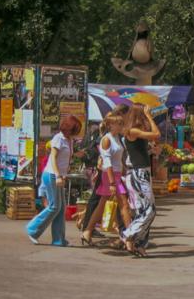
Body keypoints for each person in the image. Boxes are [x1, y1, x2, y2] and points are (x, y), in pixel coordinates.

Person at [26, 114, 82, 246]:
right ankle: (32, 229)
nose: (76, 132)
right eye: (75, 129)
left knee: (61, 208)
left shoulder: (69, 140)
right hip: (52, 175)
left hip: (59, 176)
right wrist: (57, 175)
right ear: (68, 128)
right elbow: (53, 158)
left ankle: (58, 239)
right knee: (54, 206)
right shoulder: (58, 138)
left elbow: (66, 156)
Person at [81, 112, 132, 246]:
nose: (121, 126)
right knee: (124, 206)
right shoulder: (106, 139)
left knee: (102, 205)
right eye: (118, 124)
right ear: (110, 125)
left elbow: (119, 159)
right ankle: (130, 238)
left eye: (122, 123)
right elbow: (107, 162)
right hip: (109, 176)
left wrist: (124, 171)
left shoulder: (117, 138)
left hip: (116, 175)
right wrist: (111, 183)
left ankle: (87, 231)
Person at [122, 103, 161, 257]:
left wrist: (152, 150)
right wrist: (150, 117)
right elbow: (156, 134)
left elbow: (139, 150)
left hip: (141, 172)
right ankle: (128, 233)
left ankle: (140, 245)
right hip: (138, 174)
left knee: (142, 211)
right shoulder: (133, 131)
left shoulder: (136, 132)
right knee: (150, 210)